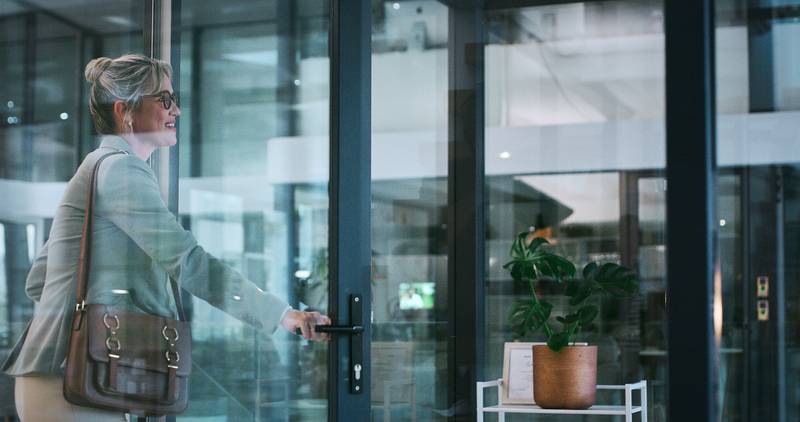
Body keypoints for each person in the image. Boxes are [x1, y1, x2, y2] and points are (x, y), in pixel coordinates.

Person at [2, 54, 330, 421]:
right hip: (72, 381)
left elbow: (39, 280)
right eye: (165, 99)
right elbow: (188, 261)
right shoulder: (121, 170)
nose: (177, 110)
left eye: (175, 99)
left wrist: (88, 312)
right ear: (126, 110)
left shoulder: (98, 166)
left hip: (59, 375)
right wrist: (282, 315)